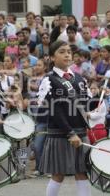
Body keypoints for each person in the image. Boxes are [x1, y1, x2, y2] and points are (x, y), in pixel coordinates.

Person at [37, 40, 91, 196]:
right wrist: (70, 133)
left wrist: (94, 110)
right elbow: (54, 110)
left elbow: (86, 105)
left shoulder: (80, 79)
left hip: (81, 132)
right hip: (61, 134)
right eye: (62, 51)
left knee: (82, 172)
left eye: (68, 51)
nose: (67, 54)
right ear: (52, 58)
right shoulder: (49, 80)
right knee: (58, 174)